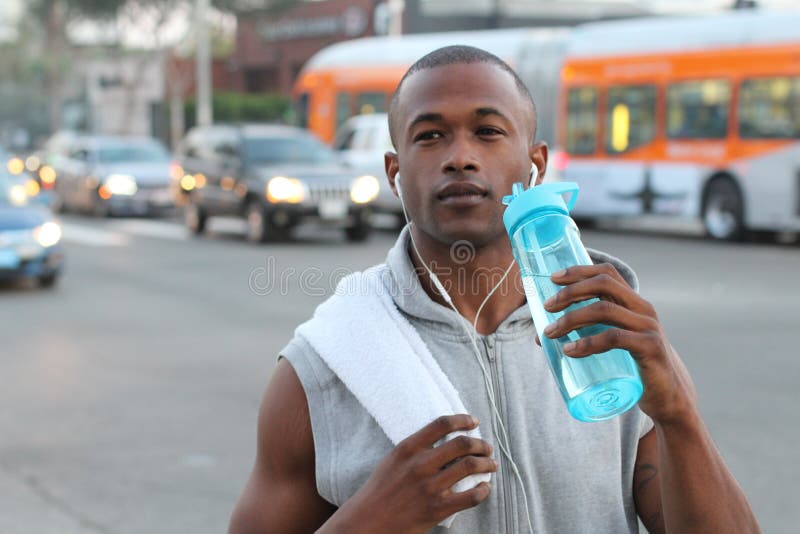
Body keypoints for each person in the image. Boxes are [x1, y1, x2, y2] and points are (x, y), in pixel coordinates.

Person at [229, 46, 759, 533]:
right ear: (394, 171)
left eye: (488, 131)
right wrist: (367, 521)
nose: (460, 156)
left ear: (537, 165)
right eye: (429, 135)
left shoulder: (610, 331)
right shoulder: (324, 365)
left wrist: (679, 417)